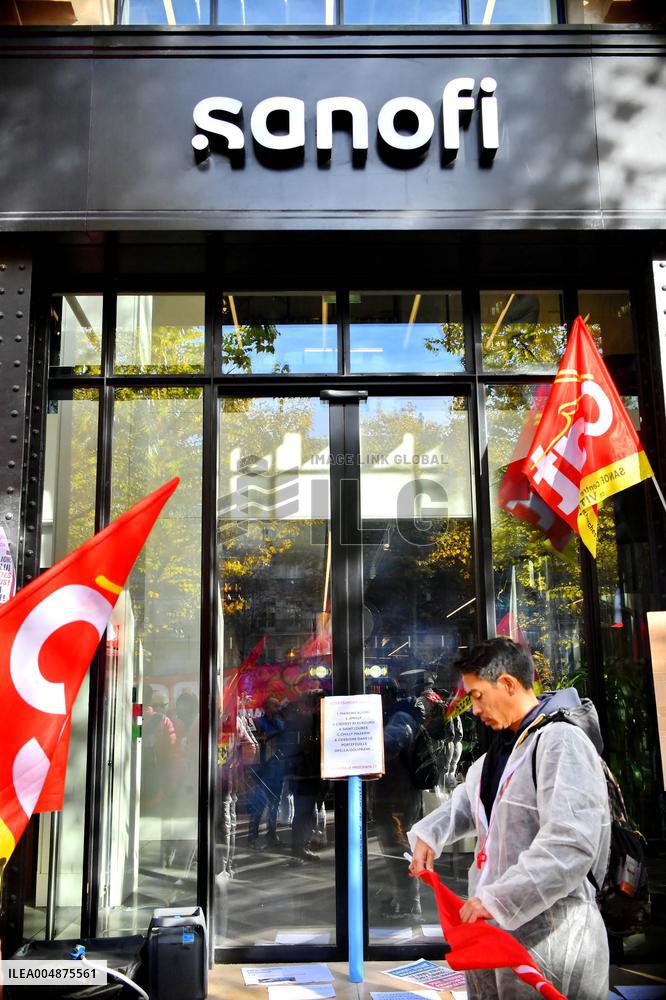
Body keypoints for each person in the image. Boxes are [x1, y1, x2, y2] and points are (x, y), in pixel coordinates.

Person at [408, 637, 611, 1000]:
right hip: (499, 929)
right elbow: (469, 804)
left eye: (477, 695)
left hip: (553, 934)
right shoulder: (506, 747)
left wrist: (499, 899)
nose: (473, 709)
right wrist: (429, 835)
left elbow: (571, 842)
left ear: (507, 684)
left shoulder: (561, 742)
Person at [371, 676, 425, 920]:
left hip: (397, 796)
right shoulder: (396, 714)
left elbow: (390, 746)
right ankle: (402, 898)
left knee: (398, 849)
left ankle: (408, 904)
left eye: (377, 692)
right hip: (395, 794)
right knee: (395, 847)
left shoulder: (399, 717)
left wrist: (367, 738)